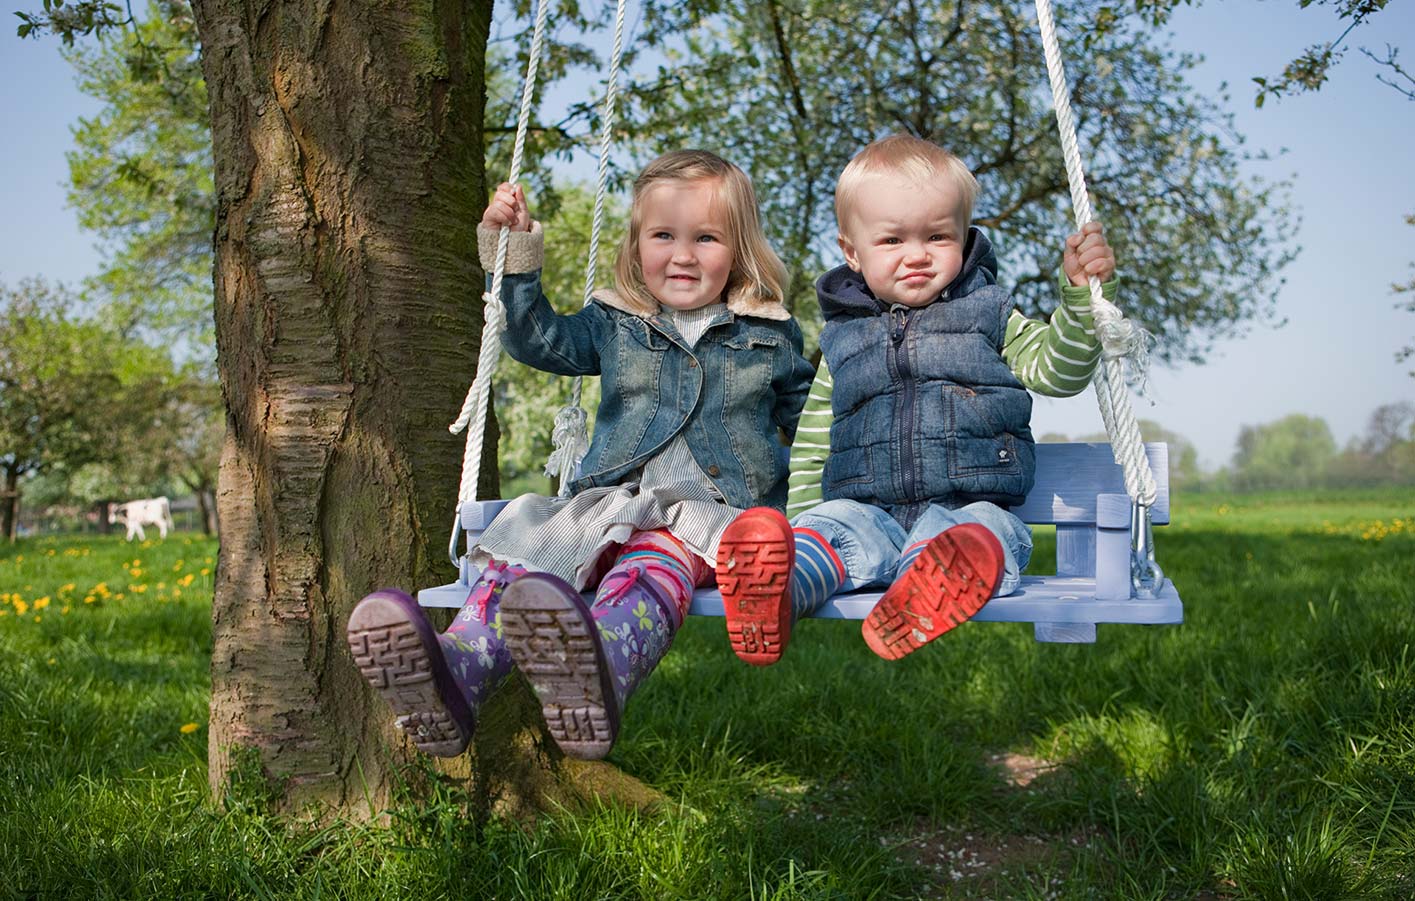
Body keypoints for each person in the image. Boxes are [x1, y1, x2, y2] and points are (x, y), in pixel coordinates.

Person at [346, 150, 814, 759]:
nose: (682, 254)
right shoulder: (617, 322)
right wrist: (514, 259)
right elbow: (536, 338)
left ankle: (603, 667)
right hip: (610, 498)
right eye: (663, 235)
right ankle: (457, 669)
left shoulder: (770, 333)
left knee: (650, 574)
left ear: (740, 248)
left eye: (706, 238)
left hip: (707, 513)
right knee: (529, 555)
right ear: (637, 243)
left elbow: (813, 427)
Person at [714, 133, 1117, 665]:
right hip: (866, 511)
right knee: (833, 534)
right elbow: (814, 442)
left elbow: (1058, 371)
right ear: (852, 253)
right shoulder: (842, 341)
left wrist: (1082, 299)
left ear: (964, 236)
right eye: (892, 241)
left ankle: (925, 590)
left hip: (974, 509)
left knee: (975, 536)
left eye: (937, 237)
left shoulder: (991, 315)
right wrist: (809, 519)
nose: (917, 256)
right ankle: (777, 592)